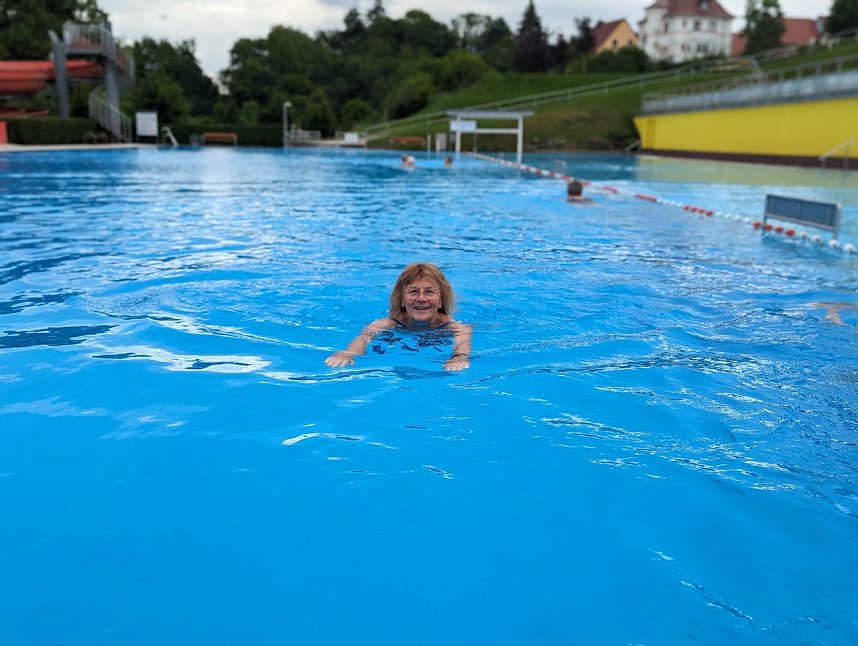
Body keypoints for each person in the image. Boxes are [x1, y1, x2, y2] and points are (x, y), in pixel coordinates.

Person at [325, 262, 472, 371]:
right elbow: (363, 338)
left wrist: (459, 358)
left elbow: (462, 346)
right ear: (401, 299)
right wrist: (348, 353)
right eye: (413, 291)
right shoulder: (387, 324)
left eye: (429, 292)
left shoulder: (456, 328)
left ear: (441, 300)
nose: (421, 298)